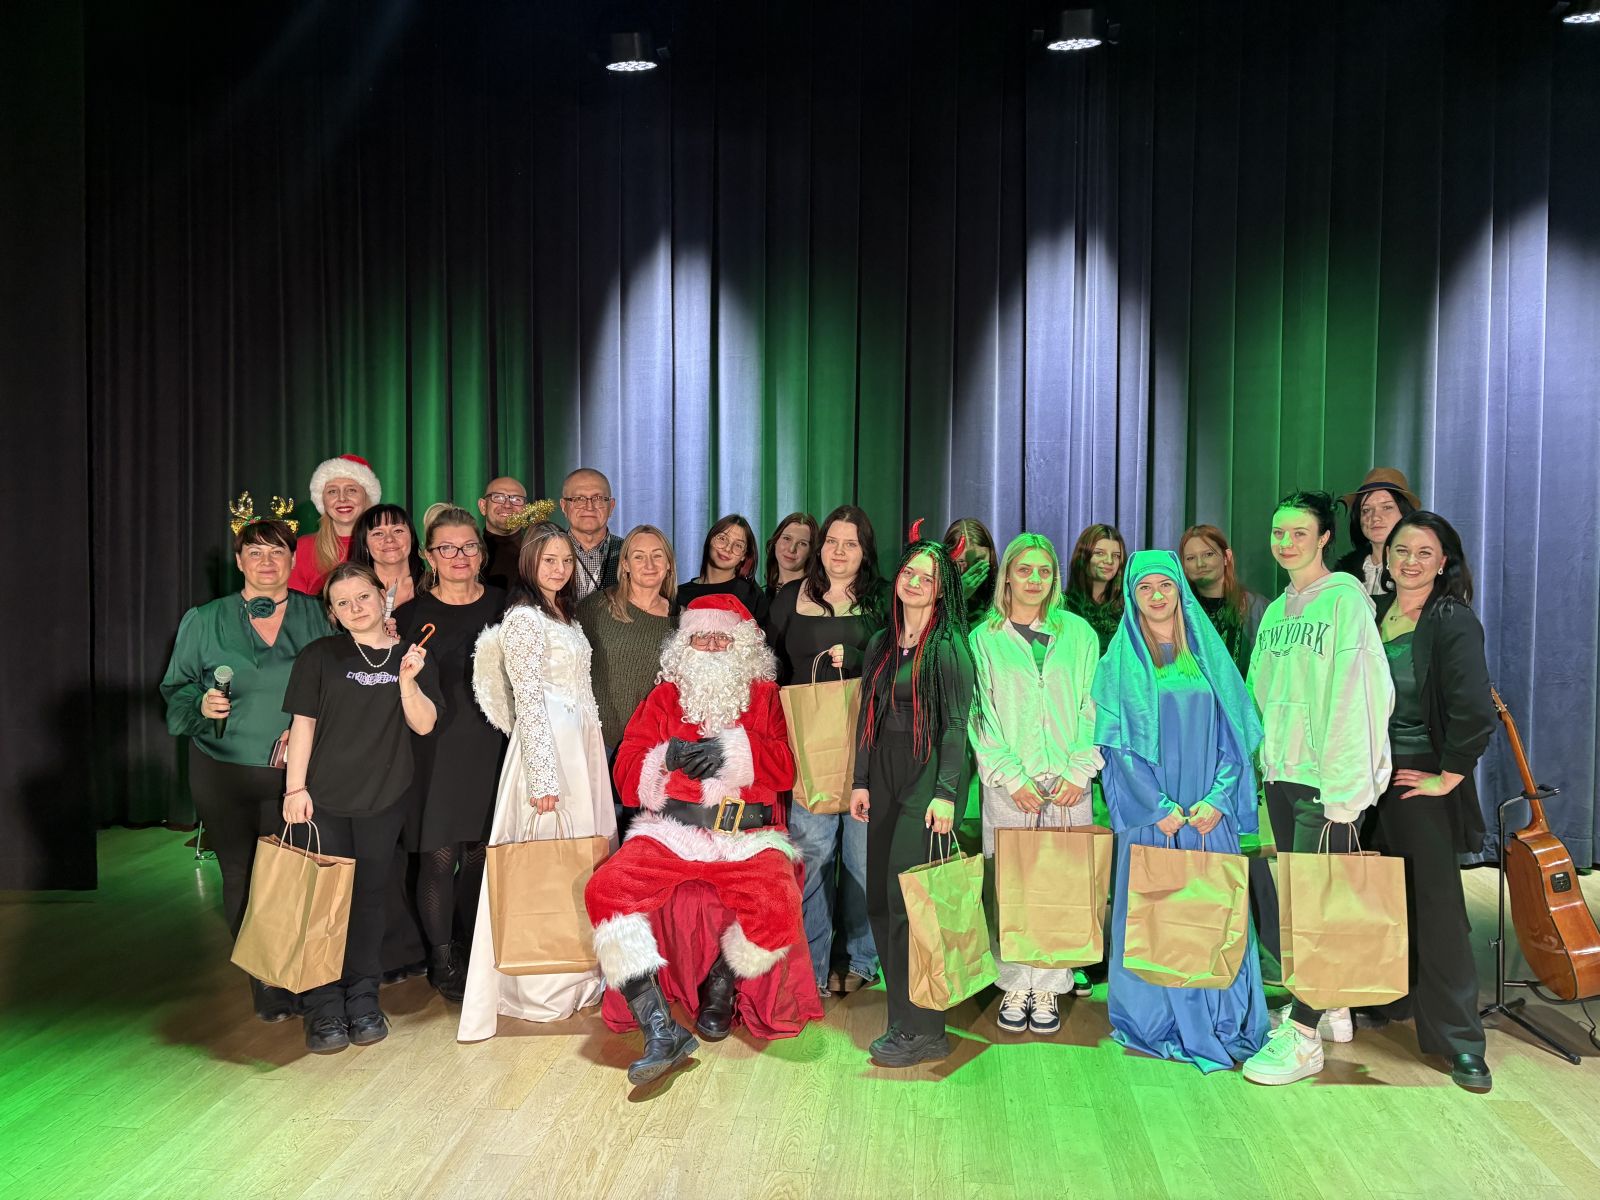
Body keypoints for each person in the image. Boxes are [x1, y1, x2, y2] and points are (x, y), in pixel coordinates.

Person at [584, 594, 815, 1086]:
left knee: (778, 903)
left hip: (747, 836)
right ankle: (659, 1029)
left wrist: (737, 753)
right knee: (605, 889)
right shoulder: (664, 698)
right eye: (699, 637)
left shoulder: (765, 697)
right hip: (674, 833)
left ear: (742, 645)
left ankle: (721, 981)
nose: (709, 645)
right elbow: (626, 773)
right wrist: (664, 758)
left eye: (721, 637)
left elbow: (785, 769)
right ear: (683, 645)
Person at [1094, 551, 1270, 1071]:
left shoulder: (1208, 656)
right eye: (1144, 587)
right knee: (1156, 917)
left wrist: (1219, 798)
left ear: (1179, 591)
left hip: (1207, 816)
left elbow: (1236, 735)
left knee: (1212, 915)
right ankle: (1157, 1020)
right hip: (1155, 820)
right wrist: (1156, 808)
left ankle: (1221, 1017)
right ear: (1132, 596)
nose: (1156, 595)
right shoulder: (1118, 663)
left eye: (1165, 585)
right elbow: (1116, 749)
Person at [1241, 490, 1394, 1086]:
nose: (1285, 543)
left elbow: (1360, 695)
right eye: (1278, 532)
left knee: (1319, 902)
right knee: (1300, 899)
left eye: (1299, 533)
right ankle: (1330, 1006)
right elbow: (1259, 695)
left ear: (1325, 537)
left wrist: (1347, 790)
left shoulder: (1344, 600)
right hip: (1282, 775)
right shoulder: (1278, 611)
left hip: (1325, 783)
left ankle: (1303, 1037)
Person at [160, 500, 328, 1021]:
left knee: (292, 874)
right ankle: (264, 979)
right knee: (240, 872)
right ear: (239, 561)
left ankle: (299, 969)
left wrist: (310, 732)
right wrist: (200, 704)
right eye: (254, 552)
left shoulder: (321, 614)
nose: (266, 562)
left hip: (294, 775)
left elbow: (340, 686)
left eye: (276, 552)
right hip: (222, 770)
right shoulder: (204, 619)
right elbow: (175, 689)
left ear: (292, 559)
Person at [458, 524, 620, 1038]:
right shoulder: (524, 618)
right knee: (543, 864)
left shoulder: (563, 615)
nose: (559, 569)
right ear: (529, 563)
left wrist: (593, 755)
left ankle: (578, 975)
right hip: (546, 751)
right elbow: (528, 701)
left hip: (580, 747)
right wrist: (543, 778)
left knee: (581, 859)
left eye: (566, 560)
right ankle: (537, 984)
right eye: (549, 560)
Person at [281, 563, 441, 1053]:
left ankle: (363, 997)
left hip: (383, 800)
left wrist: (407, 681)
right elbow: (303, 725)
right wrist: (294, 790)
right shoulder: (319, 656)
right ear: (333, 612)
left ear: (381, 596)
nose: (355, 608)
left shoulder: (411, 656)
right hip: (322, 800)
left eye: (363, 597)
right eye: (343, 602)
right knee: (322, 903)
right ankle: (323, 1005)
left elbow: (424, 724)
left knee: (369, 901)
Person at [1368, 511, 1497, 1092]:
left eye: (1425, 552)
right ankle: (1390, 1000)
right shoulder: (1372, 612)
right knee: (1383, 899)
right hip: (1367, 781)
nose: (1411, 561)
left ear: (1444, 562)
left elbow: (1474, 709)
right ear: (1386, 557)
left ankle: (1461, 1040)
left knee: (1438, 910)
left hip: (1418, 780)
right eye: (1401, 550)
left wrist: (1447, 778)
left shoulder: (1452, 620)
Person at [849, 524, 976, 1068]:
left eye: (928, 577)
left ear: (943, 589)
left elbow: (956, 727)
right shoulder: (882, 641)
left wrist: (946, 794)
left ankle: (926, 1029)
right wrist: (860, 780)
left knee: (910, 902)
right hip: (882, 774)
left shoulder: (948, 648)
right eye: (909, 573)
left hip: (926, 780)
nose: (915, 582)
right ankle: (901, 1015)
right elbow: (867, 716)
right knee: (880, 900)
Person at [969, 533, 1103, 1035]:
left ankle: (1048, 984)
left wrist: (1078, 769)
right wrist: (1011, 776)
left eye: (1044, 571)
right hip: (1011, 786)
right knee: (1011, 885)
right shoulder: (984, 638)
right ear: (1007, 575)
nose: (1034, 580)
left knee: (1061, 885)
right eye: (1024, 570)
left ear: (1055, 578)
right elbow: (980, 715)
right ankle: (1014, 982)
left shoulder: (1079, 634)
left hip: (1068, 783)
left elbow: (1093, 706)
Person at [767, 505, 887, 996]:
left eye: (850, 544)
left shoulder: (884, 600)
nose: (839, 551)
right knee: (812, 858)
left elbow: (901, 663)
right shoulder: (790, 598)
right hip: (808, 749)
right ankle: (812, 966)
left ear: (865, 552)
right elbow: (770, 666)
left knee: (862, 862)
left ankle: (860, 958)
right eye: (832, 541)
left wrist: (862, 657)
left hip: (869, 751)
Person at [392, 505, 507, 1002]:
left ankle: (470, 945)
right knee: (438, 857)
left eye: (468, 546)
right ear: (428, 555)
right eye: (447, 548)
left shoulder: (506, 605)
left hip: (493, 746)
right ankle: (441, 959)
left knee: (480, 855)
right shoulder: (408, 616)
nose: (459, 556)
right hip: (433, 751)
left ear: (481, 553)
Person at [577, 525, 678, 754]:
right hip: (596, 743)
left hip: (651, 749)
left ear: (669, 564)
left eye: (657, 556)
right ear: (625, 564)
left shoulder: (682, 621)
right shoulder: (596, 607)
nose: (649, 565)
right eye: (639, 557)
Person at [1180, 524, 1268, 677]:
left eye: (1208, 554)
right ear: (1184, 565)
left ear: (1226, 557)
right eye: (1191, 558)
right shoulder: (1179, 610)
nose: (1200, 564)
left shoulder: (1257, 608)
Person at [288, 454, 381, 595]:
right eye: (332, 491)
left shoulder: (384, 545)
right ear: (322, 500)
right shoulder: (302, 548)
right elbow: (294, 604)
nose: (342, 498)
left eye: (351, 490)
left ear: (366, 497)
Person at [1333, 468, 1420, 596]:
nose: (1375, 517)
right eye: (1366, 510)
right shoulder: (1344, 574)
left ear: (1405, 513)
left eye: (1387, 507)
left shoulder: (1420, 569)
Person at [673, 514, 770, 626]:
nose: (728, 548)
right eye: (722, 538)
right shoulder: (679, 594)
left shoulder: (752, 595)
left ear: (744, 556)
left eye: (738, 545)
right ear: (710, 539)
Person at [348, 504, 425, 621]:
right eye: (378, 533)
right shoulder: (348, 590)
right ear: (364, 544)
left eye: (398, 531)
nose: (389, 539)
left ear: (412, 537)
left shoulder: (435, 586)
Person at [559, 467, 623, 600]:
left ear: (611, 506)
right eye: (579, 499)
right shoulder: (545, 555)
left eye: (598, 498)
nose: (589, 507)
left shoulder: (628, 553)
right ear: (564, 506)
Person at [1063, 523, 1127, 652]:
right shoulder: (1062, 607)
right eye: (1099, 553)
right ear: (1083, 557)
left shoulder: (1128, 608)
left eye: (1116, 555)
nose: (1109, 561)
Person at [945, 517, 998, 629]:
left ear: (991, 554)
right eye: (961, 562)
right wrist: (957, 598)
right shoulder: (933, 594)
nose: (971, 569)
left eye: (978, 560)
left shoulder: (1003, 593)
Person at [478, 476, 530, 591]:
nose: (507, 505)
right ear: (483, 506)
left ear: (526, 510)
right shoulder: (468, 553)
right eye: (498, 497)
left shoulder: (537, 553)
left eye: (516, 500)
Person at [762, 512, 818, 602]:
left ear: (810, 552)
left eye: (802, 543)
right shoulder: (762, 594)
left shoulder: (815, 596)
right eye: (787, 538)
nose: (792, 549)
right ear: (775, 541)